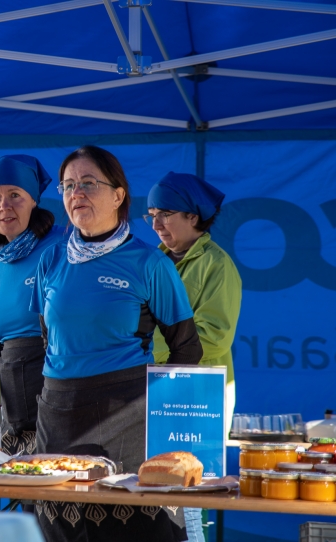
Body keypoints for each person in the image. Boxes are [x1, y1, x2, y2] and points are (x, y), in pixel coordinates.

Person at [30, 146, 202, 541]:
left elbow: (186, 349)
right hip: (57, 413)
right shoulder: (50, 260)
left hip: (127, 415)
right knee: (59, 526)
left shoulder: (149, 264)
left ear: (119, 195)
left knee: (134, 526)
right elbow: (49, 338)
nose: (77, 193)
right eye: (69, 185)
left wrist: (153, 412)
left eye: (89, 184)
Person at [146, 172, 242, 542]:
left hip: (198, 396)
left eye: (165, 213)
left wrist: (147, 353)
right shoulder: (152, 261)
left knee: (190, 493)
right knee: (152, 486)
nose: (155, 224)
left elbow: (214, 338)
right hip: (152, 390)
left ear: (194, 217)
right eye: (151, 214)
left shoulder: (217, 266)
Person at [0, 155, 61, 456]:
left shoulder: (62, 247)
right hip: (13, 407)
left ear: (34, 200)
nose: (4, 206)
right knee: (20, 489)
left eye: (15, 196)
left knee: (57, 487)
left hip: (59, 395)